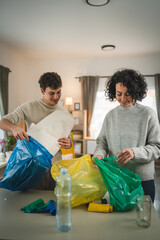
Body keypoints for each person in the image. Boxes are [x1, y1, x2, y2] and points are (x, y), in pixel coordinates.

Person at [92, 68, 160, 202]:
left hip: (142, 181)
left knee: (142, 221)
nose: (122, 99)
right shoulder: (110, 116)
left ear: (136, 92)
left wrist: (135, 153)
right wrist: (99, 154)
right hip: (117, 180)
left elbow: (157, 147)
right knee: (117, 222)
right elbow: (102, 143)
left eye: (128, 94)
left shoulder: (148, 114)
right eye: (119, 94)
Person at [0, 72, 73, 189]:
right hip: (33, 167)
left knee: (53, 203)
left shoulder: (64, 115)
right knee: (31, 202)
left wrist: (68, 144)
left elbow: (67, 141)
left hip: (54, 169)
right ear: (42, 91)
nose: (56, 97)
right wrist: (14, 128)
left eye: (59, 92)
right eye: (51, 93)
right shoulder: (29, 107)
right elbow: (2, 122)